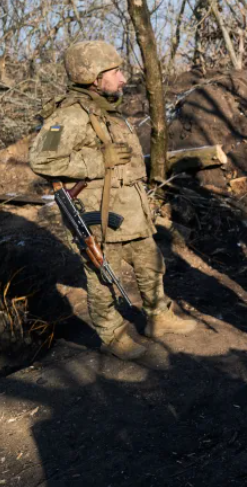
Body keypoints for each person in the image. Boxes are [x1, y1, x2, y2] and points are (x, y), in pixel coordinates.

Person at [29, 41, 195, 360]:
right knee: (104, 277)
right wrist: (97, 160)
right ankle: (113, 335)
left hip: (131, 208)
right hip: (100, 215)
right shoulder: (69, 115)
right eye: (115, 72)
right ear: (93, 77)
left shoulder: (107, 109)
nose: (123, 78)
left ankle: (158, 317)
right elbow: (41, 159)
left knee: (150, 263)